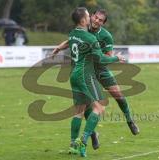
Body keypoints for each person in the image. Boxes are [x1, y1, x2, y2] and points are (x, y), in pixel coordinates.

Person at [52, 9, 140, 150]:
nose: (96, 21)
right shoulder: (84, 28)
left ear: (103, 23)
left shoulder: (106, 36)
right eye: (95, 17)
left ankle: (130, 120)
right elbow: (71, 40)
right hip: (87, 72)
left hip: (100, 69)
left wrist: (108, 57)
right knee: (88, 106)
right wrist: (59, 47)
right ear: (91, 16)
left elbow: (106, 57)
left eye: (100, 20)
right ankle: (91, 134)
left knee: (118, 94)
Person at [68, 7, 125, 157]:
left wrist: (58, 48)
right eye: (89, 16)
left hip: (73, 75)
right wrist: (117, 58)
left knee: (79, 112)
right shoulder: (90, 38)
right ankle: (84, 141)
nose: (91, 18)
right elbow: (102, 59)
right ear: (83, 20)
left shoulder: (72, 34)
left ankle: (73, 144)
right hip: (85, 76)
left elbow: (68, 44)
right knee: (99, 109)